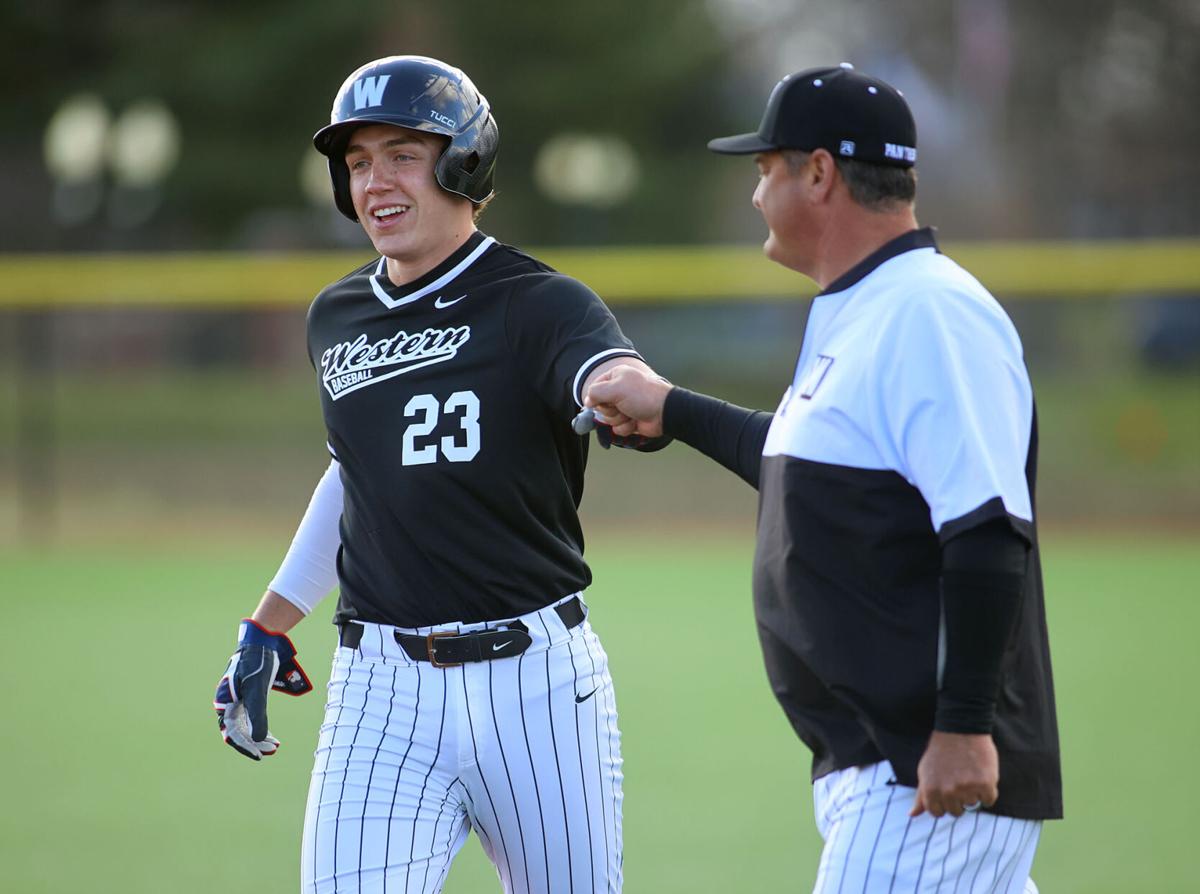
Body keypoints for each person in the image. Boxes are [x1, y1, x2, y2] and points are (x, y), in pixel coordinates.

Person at [585, 64, 1062, 892]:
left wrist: (963, 729)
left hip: (921, 775)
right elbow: (811, 469)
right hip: (883, 767)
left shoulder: (930, 311)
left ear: (819, 171)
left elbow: (987, 530)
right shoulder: (869, 305)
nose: (756, 193)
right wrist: (672, 408)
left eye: (765, 170)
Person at [213, 54, 664, 894]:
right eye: (356, 164)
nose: (374, 182)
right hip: (379, 688)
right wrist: (268, 625)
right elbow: (356, 472)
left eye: (400, 155)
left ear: (464, 160)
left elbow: (604, 369)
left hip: (536, 682)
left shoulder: (540, 302)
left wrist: (619, 389)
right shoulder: (336, 315)